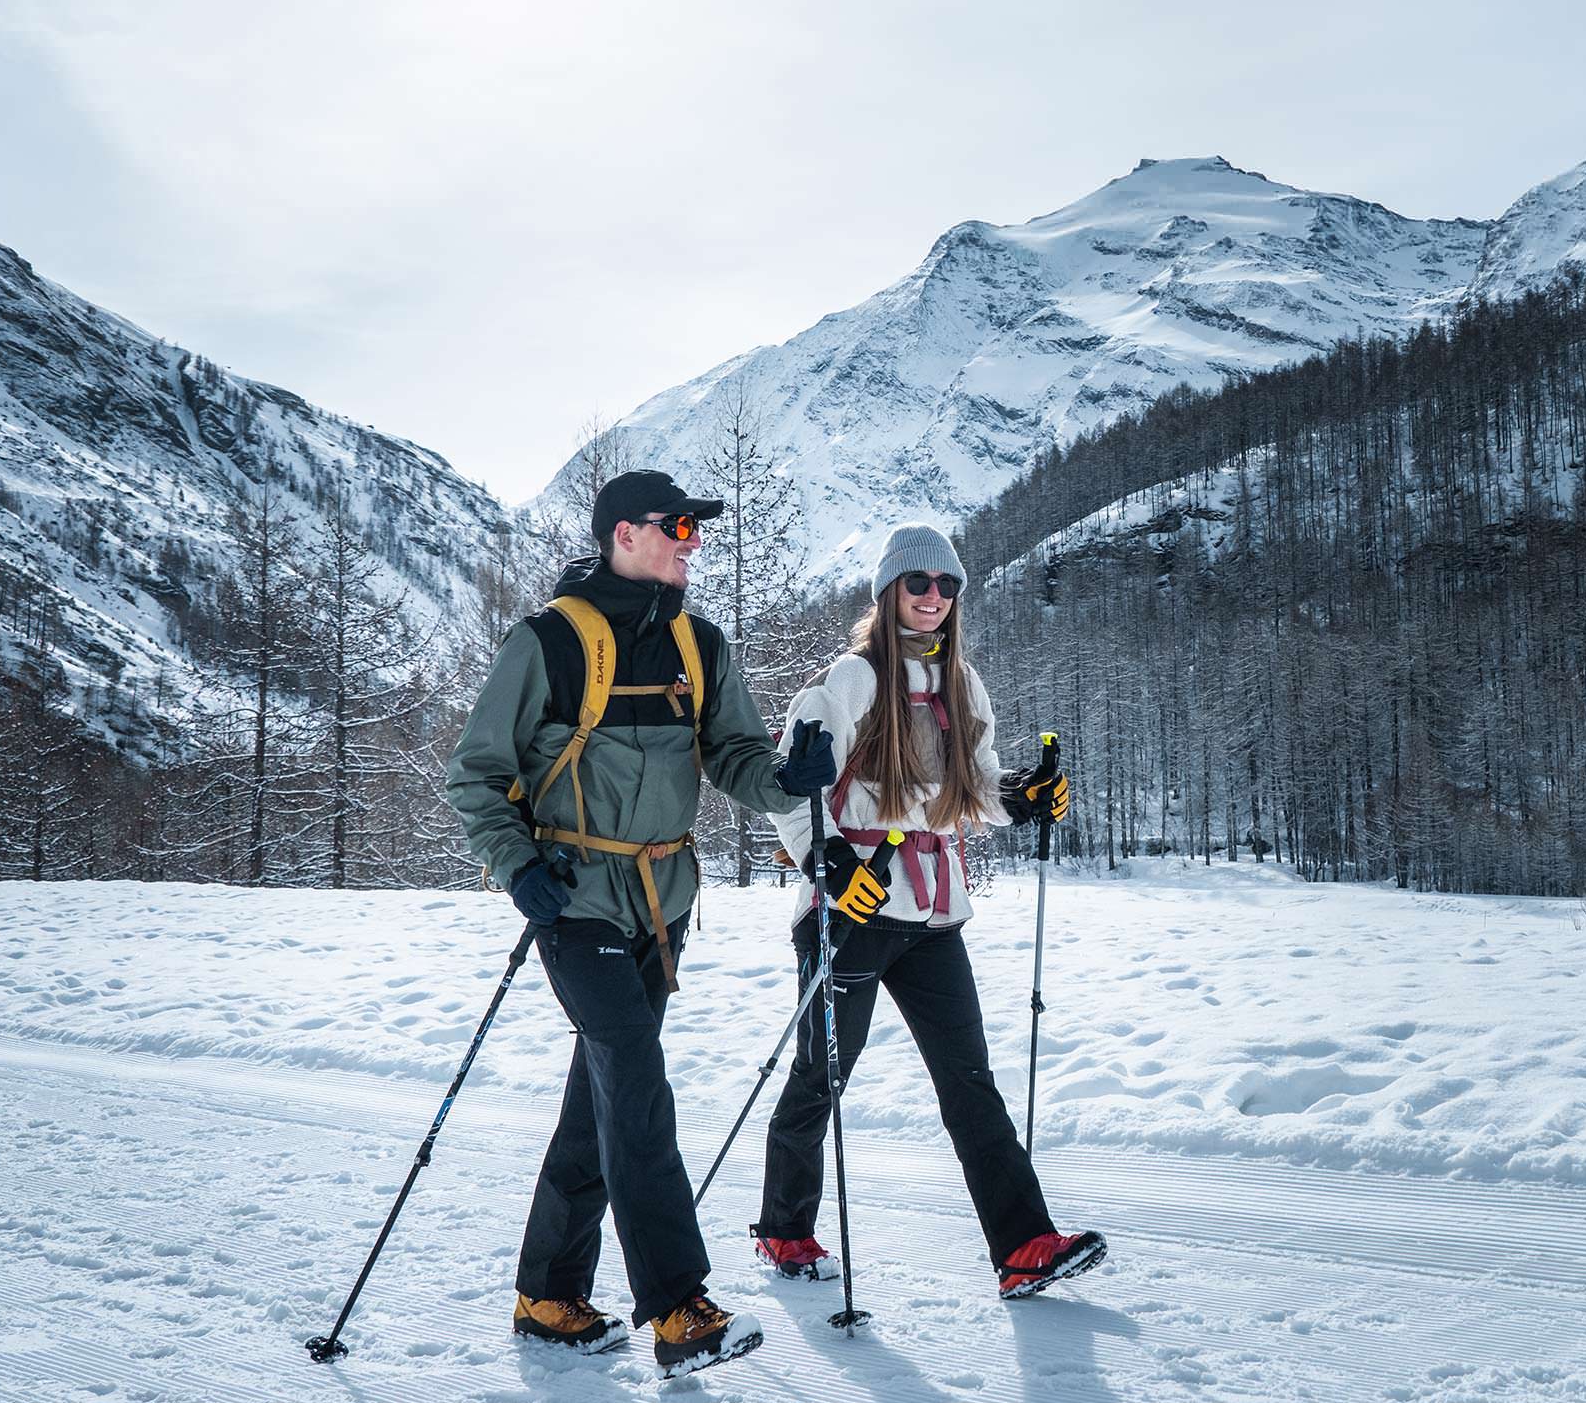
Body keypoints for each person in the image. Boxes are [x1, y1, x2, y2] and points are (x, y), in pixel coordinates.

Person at [444, 469, 837, 1379]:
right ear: (626, 535)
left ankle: (548, 1295)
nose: (692, 543)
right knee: (636, 1078)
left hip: (664, 905)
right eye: (680, 530)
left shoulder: (700, 644)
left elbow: (735, 756)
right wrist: (518, 867)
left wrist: (790, 776)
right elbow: (475, 774)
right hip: (575, 898)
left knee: (604, 1093)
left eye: (698, 532)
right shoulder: (545, 642)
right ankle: (675, 1306)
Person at [751, 522, 1104, 1300]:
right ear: (889, 593)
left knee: (969, 1081)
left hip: (935, 918)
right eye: (919, 585)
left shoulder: (962, 685)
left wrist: (1027, 798)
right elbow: (789, 786)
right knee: (822, 1073)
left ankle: (1024, 1245)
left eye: (948, 587)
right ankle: (784, 1228)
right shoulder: (847, 681)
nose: (934, 598)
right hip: (852, 908)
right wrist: (829, 861)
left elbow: (973, 791)